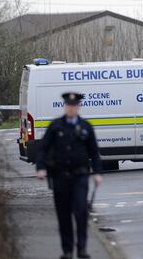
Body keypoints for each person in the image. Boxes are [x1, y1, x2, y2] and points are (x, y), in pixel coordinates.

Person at [36, 92, 103, 259]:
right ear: (65, 107)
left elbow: (94, 152)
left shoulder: (86, 127)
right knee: (63, 215)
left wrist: (97, 172)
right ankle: (67, 250)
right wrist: (41, 168)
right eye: (68, 106)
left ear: (78, 107)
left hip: (80, 177)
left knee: (81, 212)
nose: (71, 108)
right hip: (60, 178)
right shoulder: (56, 126)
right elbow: (43, 148)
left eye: (74, 106)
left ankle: (81, 248)